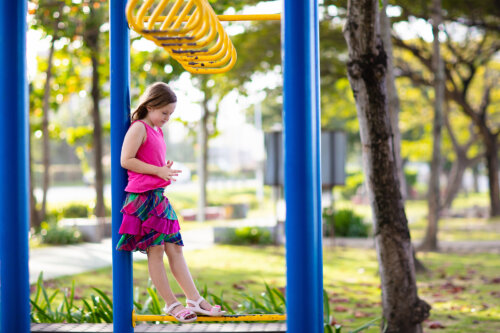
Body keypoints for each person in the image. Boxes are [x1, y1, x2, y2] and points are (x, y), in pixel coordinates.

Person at [116, 82, 224, 323]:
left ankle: (194, 299)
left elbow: (148, 160)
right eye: (164, 112)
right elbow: (126, 160)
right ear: (150, 105)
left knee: (175, 248)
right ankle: (171, 304)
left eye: (170, 114)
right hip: (143, 199)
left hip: (158, 198)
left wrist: (160, 171)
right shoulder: (139, 128)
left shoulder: (156, 130)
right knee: (155, 251)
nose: (167, 118)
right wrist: (157, 171)